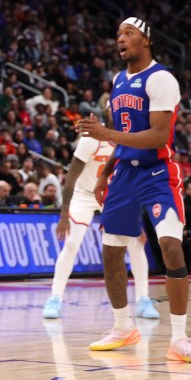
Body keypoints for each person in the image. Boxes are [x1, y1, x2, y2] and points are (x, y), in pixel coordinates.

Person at [78, 16, 191, 363]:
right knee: (110, 252)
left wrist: (105, 135)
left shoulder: (161, 78)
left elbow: (157, 136)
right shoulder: (118, 82)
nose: (120, 39)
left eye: (128, 33)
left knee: (170, 245)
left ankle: (179, 339)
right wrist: (105, 172)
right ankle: (123, 327)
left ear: (146, 40)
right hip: (124, 174)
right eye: (118, 34)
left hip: (157, 173)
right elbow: (123, 139)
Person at [43, 112, 156, 320]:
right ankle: (55, 298)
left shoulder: (131, 138)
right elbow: (71, 176)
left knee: (136, 244)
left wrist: (136, 219)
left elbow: (134, 180)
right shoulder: (91, 138)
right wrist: (64, 213)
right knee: (71, 244)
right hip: (84, 194)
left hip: (114, 195)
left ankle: (143, 300)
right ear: (107, 113)